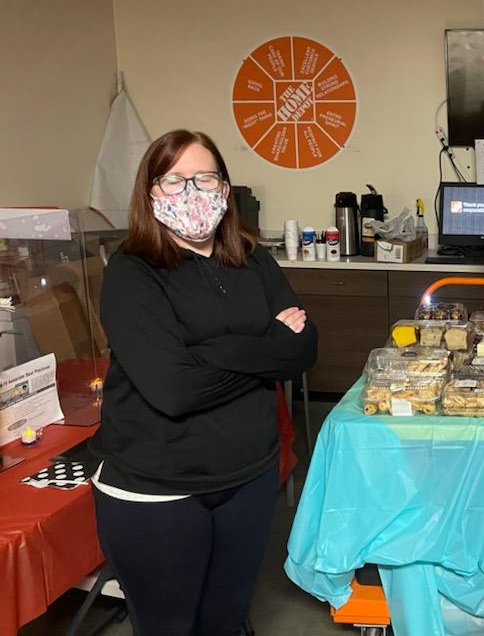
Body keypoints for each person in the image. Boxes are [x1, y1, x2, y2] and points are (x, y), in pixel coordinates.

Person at [88, 130, 317, 636]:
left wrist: (201, 357)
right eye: (173, 180)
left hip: (248, 477)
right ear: (149, 193)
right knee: (170, 626)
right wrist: (263, 345)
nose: (191, 191)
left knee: (226, 620)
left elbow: (303, 348)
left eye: (204, 177)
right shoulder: (133, 272)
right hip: (158, 491)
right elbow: (173, 390)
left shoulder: (253, 258)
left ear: (225, 186)